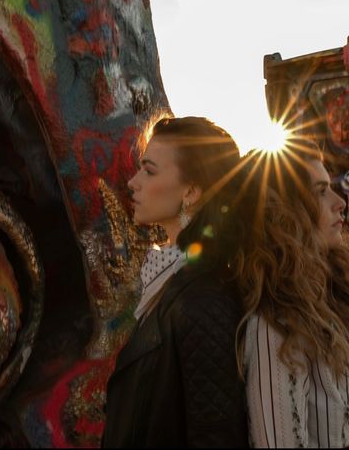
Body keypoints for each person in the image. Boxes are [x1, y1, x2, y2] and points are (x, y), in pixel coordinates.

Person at [101, 116, 249, 448]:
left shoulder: (204, 297)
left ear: (192, 191)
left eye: (150, 171)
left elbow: (215, 436)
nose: (133, 183)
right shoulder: (168, 277)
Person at [234, 138, 349, 448]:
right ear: (284, 214)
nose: (339, 201)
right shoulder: (274, 328)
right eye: (320, 192)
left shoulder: (326, 292)